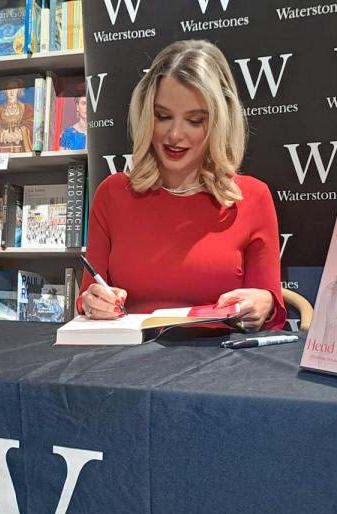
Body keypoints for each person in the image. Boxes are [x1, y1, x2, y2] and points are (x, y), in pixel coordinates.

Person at [79, 40, 286, 332]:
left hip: (219, 364)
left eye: (194, 120)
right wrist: (93, 302)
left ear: (219, 121)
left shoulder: (252, 197)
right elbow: (88, 297)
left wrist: (262, 303)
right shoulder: (112, 194)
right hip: (127, 365)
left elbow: (269, 305)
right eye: (163, 116)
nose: (175, 134)